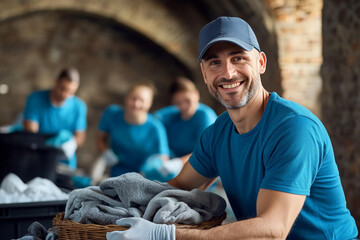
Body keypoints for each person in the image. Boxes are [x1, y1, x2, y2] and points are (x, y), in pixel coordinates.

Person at [106, 17, 358, 240]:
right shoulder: (217, 133)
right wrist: (112, 203)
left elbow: (273, 230)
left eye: (238, 58)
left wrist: (167, 235)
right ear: (204, 74)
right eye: (214, 63)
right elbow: (181, 185)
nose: (227, 73)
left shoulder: (294, 129)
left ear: (260, 62)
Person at [95, 82, 170, 178]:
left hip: (143, 178)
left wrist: (151, 168)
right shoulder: (112, 114)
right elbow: (100, 138)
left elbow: (163, 157)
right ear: (126, 98)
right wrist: (104, 152)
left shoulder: (156, 128)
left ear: (149, 103)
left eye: (142, 100)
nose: (136, 104)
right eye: (133, 98)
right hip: (114, 173)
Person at [23, 68, 87, 170]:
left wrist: (72, 143)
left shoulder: (79, 106)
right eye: (62, 89)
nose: (65, 95)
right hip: (37, 158)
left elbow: (80, 137)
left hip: (65, 164)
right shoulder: (35, 99)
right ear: (56, 82)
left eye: (70, 92)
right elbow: (31, 132)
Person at [154, 76, 217, 162]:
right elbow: (151, 121)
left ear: (196, 95)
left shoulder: (205, 116)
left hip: (200, 165)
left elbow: (205, 152)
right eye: (178, 103)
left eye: (187, 100)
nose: (183, 106)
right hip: (172, 162)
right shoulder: (172, 114)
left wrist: (178, 163)